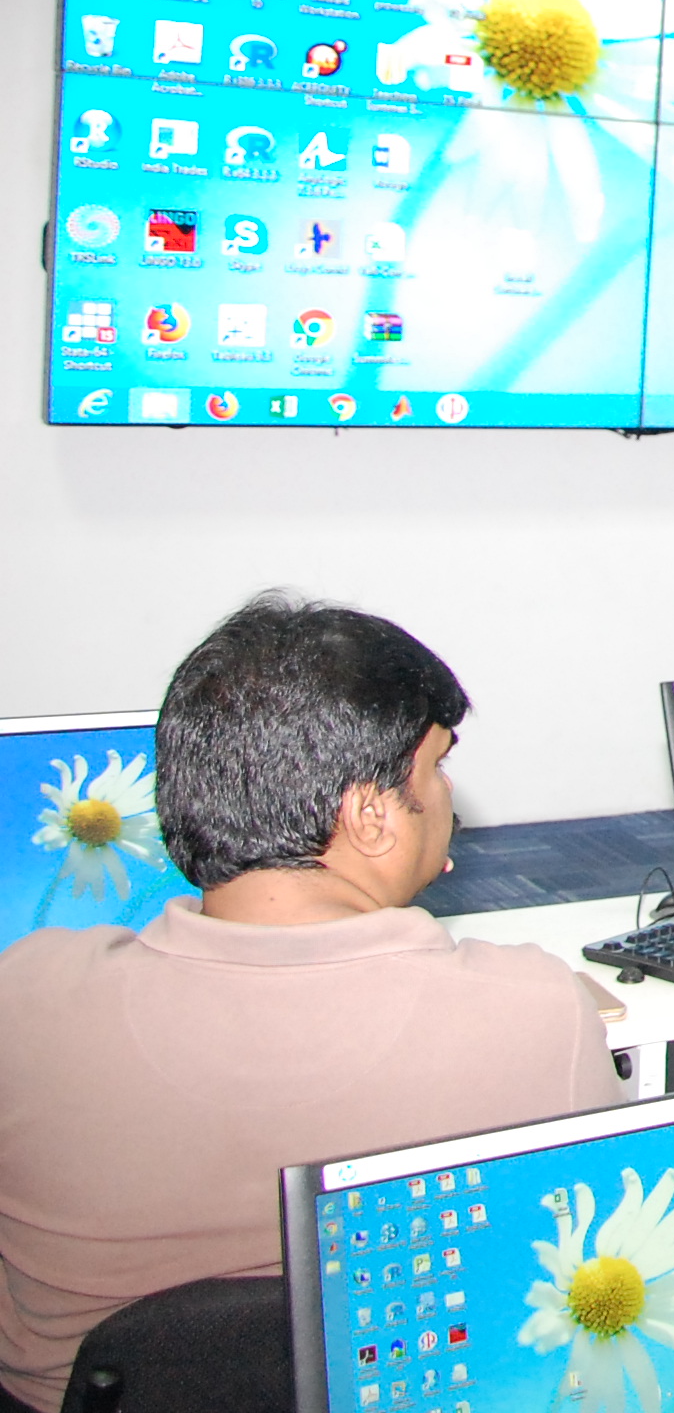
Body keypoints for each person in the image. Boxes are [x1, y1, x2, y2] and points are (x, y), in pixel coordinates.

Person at [0, 595, 622, 1413]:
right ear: (371, 816)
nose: (449, 798)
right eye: (437, 768)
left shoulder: (24, 1000)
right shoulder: (535, 1013)